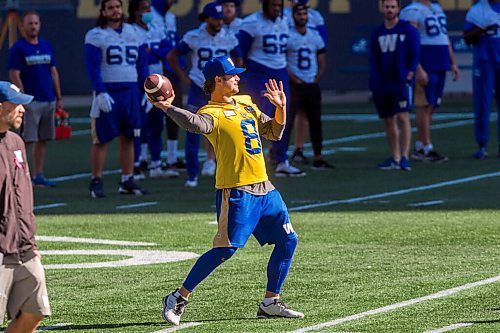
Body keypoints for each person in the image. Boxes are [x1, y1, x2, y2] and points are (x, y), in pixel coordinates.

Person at [148, 56, 303, 325]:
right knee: (225, 250)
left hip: (265, 189)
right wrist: (168, 108)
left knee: (289, 240)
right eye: (231, 75)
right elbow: (195, 124)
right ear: (217, 81)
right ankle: (178, 297)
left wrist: (281, 109)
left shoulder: (245, 102)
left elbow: (274, 132)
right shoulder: (211, 113)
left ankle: (271, 301)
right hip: (237, 191)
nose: (237, 78)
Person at [167, 2, 242, 187]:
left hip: (220, 92)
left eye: (221, 19)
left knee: (228, 130)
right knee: (192, 130)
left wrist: (233, 78)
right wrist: (184, 77)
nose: (219, 22)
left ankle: (225, 169)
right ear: (206, 19)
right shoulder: (194, 36)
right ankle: (192, 175)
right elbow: (172, 55)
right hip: (198, 89)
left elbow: (239, 57)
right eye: (216, 19)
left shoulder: (229, 36)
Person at [0, 81, 51, 332]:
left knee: (35, 310)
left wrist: (31, 242)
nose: (22, 109)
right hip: (0, 250)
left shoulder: (16, 143)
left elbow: (23, 196)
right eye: (16, 103)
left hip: (24, 249)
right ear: (0, 108)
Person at [84, 0, 148, 198]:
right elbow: (92, 67)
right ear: (103, 11)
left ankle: (127, 179)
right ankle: (96, 179)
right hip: (108, 92)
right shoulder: (96, 34)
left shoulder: (135, 32)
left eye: (117, 7)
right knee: (101, 139)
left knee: (129, 137)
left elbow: (142, 64)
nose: (115, 10)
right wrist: (100, 90)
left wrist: (147, 89)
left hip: (131, 91)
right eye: (110, 7)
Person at [238, 0, 306, 177]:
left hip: (280, 72)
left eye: (279, 5)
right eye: (273, 5)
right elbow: (240, 53)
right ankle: (251, 161)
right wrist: (244, 76)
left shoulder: (284, 21)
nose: (276, 8)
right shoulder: (251, 22)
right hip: (259, 73)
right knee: (259, 117)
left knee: (282, 116)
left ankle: (280, 160)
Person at [7, 11, 63, 188]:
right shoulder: (19, 47)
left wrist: (58, 96)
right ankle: (19, 174)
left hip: (48, 99)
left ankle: (38, 174)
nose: (33, 26)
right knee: (26, 140)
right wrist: (22, 97)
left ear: (40, 25)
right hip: (31, 101)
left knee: (43, 139)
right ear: (23, 26)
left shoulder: (46, 45)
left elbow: (53, 72)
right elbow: (14, 73)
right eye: (29, 24)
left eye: (35, 23)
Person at [400, 0, 459, 162]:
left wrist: (452, 61)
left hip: (440, 61)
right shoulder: (411, 10)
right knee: (424, 104)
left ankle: (420, 145)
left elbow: (444, 37)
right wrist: (417, 68)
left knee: (432, 105)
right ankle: (426, 147)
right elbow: (410, 42)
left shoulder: (436, 8)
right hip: (426, 60)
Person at [128, 0, 179, 179]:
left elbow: (168, 50)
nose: (148, 12)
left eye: (149, 9)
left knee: (157, 124)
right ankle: (136, 162)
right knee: (137, 124)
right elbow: (139, 57)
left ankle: (156, 163)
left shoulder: (156, 29)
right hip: (137, 81)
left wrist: (152, 51)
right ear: (135, 11)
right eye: (144, 9)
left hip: (158, 82)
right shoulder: (130, 31)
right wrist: (152, 52)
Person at [370, 0, 420, 171]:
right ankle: (395, 156)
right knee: (388, 120)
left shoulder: (407, 30)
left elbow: (414, 54)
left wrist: (411, 72)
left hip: (401, 81)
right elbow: (374, 58)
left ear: (398, 8)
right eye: (387, 6)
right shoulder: (377, 33)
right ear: (381, 8)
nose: (390, 10)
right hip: (383, 83)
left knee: (403, 116)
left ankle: (405, 156)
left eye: (392, 7)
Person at [286, 3, 333, 170]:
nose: (302, 17)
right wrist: (293, 78)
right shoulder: (288, 36)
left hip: (311, 84)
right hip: (294, 85)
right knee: (288, 121)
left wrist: (317, 77)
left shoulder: (314, 36)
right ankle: (281, 157)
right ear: (293, 16)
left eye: (304, 14)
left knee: (315, 121)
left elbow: (322, 60)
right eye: (299, 14)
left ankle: (318, 157)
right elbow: (282, 61)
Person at [150, 0, 186, 171]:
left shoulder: (170, 16)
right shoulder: (149, 13)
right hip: (156, 70)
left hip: (171, 69)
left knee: (175, 112)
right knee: (152, 117)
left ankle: (172, 157)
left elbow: (174, 43)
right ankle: (144, 158)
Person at [463, 0, 500, 159]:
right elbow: (467, 37)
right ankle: (482, 144)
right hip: (484, 61)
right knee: (482, 103)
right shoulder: (476, 10)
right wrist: (481, 29)